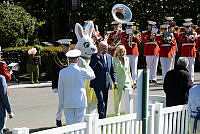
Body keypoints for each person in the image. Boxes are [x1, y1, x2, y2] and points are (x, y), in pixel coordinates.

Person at [58, 49, 95, 125]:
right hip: (80, 102)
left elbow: (60, 90)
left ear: (68, 59)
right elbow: (92, 75)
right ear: (78, 60)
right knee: (79, 125)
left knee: (69, 125)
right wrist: (86, 64)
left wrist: (61, 104)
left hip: (68, 102)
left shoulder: (62, 72)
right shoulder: (81, 70)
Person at [89, 41, 118, 119]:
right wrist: (98, 56)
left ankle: (103, 118)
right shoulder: (94, 56)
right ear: (99, 48)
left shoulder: (109, 57)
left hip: (106, 83)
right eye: (103, 48)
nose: (105, 50)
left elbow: (112, 71)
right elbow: (91, 67)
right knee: (101, 101)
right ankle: (101, 118)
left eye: (106, 48)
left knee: (105, 101)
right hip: (97, 83)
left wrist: (115, 81)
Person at [52, 39, 71, 127]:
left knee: (70, 102)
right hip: (61, 82)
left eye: (68, 46)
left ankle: (69, 120)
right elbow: (54, 72)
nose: (68, 48)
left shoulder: (72, 56)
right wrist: (54, 85)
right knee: (61, 103)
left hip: (70, 83)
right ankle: (58, 118)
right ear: (62, 47)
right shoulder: (58, 57)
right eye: (66, 46)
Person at [112, 45, 133, 116]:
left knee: (130, 96)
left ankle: (129, 112)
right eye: (120, 51)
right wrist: (113, 82)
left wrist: (132, 82)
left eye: (123, 51)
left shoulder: (127, 59)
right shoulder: (114, 59)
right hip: (118, 82)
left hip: (127, 81)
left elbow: (128, 72)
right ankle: (117, 114)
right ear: (117, 52)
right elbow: (112, 72)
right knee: (117, 99)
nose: (122, 53)